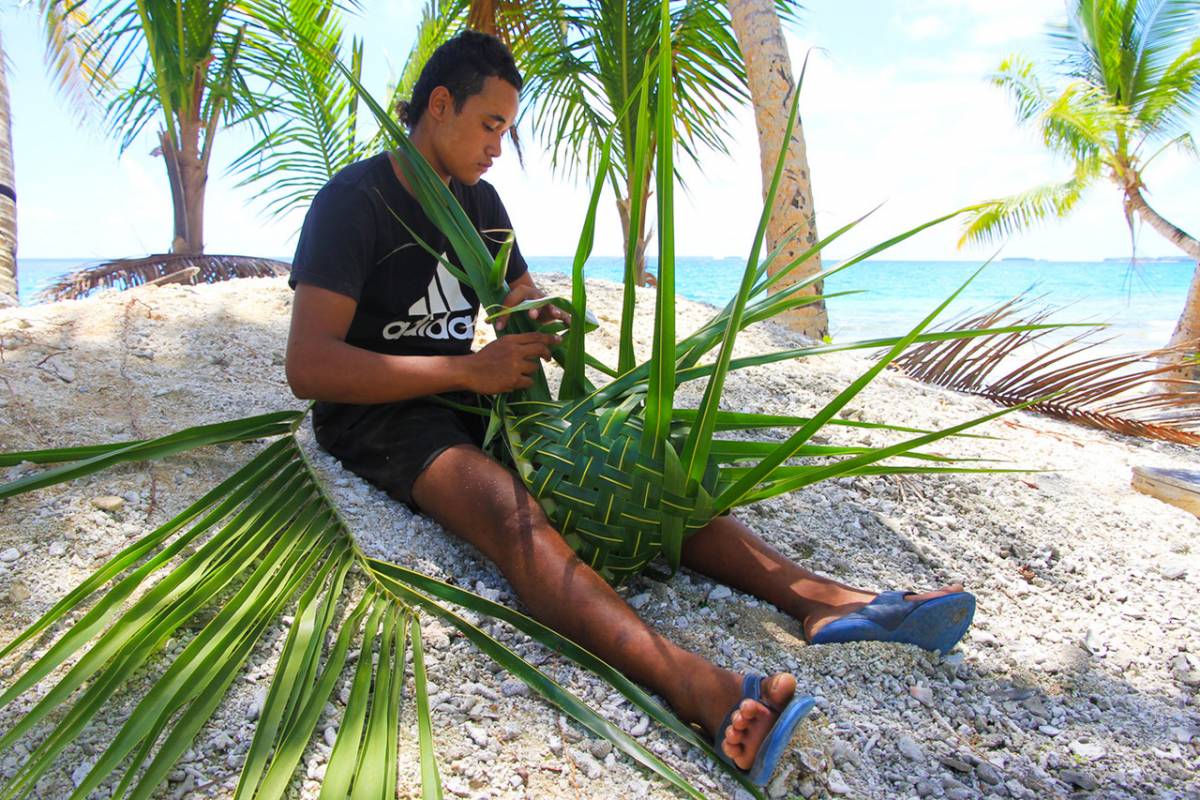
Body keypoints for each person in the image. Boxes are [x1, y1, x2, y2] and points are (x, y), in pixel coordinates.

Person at [285, 30, 975, 788]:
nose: (497, 149)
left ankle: (820, 600)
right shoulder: (352, 204)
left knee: (641, 471)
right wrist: (468, 367)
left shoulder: (477, 201)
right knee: (515, 517)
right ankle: (699, 688)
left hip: (476, 394)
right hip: (378, 413)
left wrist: (539, 319)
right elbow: (310, 366)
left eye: (507, 131)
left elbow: (515, 295)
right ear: (439, 106)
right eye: (490, 126)